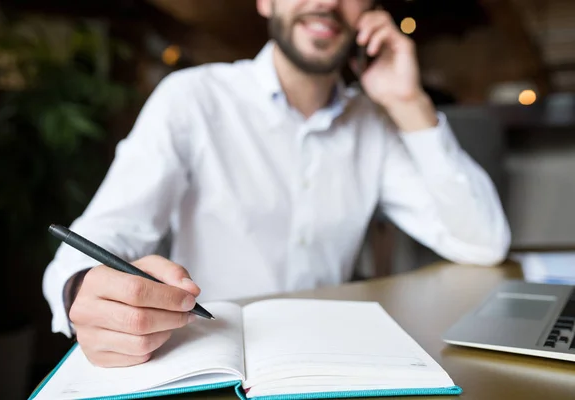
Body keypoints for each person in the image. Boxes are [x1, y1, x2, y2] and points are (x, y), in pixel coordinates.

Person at [43, 0, 511, 368]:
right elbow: (100, 238)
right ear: (265, 1)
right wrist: (82, 290)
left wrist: (409, 102)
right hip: (210, 358)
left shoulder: (373, 124)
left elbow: (482, 241)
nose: (327, 1)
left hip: (334, 361)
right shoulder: (192, 99)